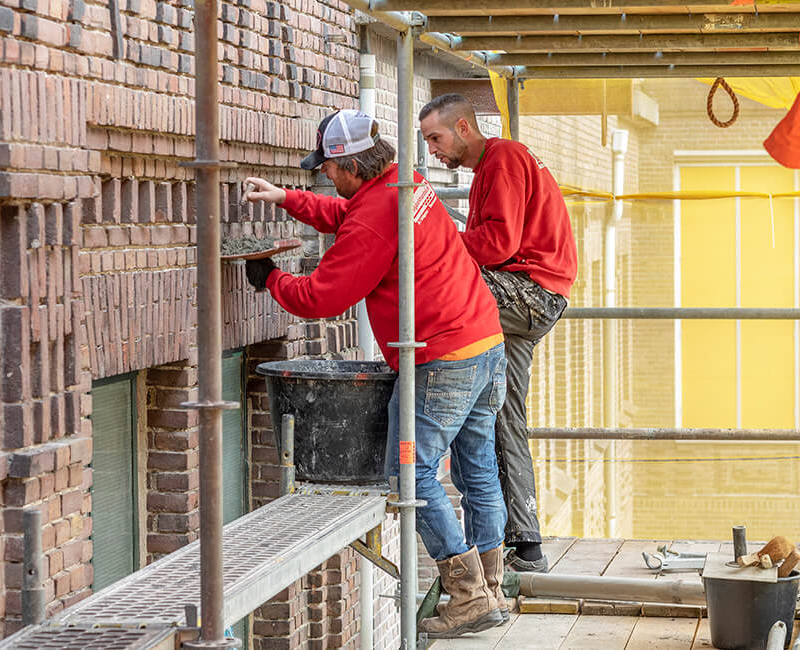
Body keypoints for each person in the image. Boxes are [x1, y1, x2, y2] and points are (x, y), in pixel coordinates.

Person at [242, 109, 510, 637]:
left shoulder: (373, 215)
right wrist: (286, 199)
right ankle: (493, 584)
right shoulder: (404, 181)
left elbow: (323, 297)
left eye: (328, 170)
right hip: (484, 343)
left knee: (409, 473)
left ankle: (467, 596)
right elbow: (354, 215)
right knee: (477, 470)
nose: (325, 178)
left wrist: (269, 277)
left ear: (347, 164)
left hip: (443, 359)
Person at [419, 94, 578, 573]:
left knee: (435, 274)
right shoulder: (492, 167)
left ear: (464, 127)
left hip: (529, 293)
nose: (433, 152)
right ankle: (525, 544)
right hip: (527, 295)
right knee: (502, 412)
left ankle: (433, 404)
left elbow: (496, 245)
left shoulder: (502, 158)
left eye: (436, 138)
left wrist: (437, 238)